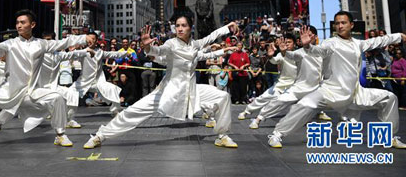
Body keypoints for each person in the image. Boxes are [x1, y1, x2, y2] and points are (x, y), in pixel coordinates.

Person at [82, 11, 239, 149]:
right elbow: (158, 50)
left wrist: (228, 27)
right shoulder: (171, 44)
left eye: (183, 25)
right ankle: (99, 136)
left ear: (190, 28)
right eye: (177, 25)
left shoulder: (196, 45)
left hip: (191, 91)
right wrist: (147, 47)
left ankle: (222, 136)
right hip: (168, 92)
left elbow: (211, 36)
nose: (180, 28)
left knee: (223, 97)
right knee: (132, 112)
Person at [0, 9, 95, 149]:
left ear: (32, 24)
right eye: (17, 23)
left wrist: (83, 38)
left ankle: (60, 134)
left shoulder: (41, 44)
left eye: (23, 22)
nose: (19, 25)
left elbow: (64, 42)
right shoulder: (10, 44)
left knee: (58, 98)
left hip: (30, 92)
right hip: (5, 91)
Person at [267, 12, 406, 149]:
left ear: (351, 25)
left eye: (343, 22)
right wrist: (308, 46)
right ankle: (276, 134)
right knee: (305, 104)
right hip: (329, 91)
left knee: (390, 98)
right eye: (337, 23)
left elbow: (378, 41)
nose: (340, 26)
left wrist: (399, 36)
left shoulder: (358, 44)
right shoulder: (330, 43)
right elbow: (318, 51)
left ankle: (389, 137)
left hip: (355, 93)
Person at [247, 26, 330, 129]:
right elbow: (290, 55)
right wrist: (281, 53)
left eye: (309, 35)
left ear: (315, 37)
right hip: (299, 87)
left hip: (315, 89)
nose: (306, 37)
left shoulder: (323, 52)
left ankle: (339, 118)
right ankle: (258, 119)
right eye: (303, 35)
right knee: (279, 101)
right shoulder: (299, 52)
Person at [237, 35, 298, 120]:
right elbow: (274, 61)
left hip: (297, 86)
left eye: (289, 42)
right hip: (282, 84)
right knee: (264, 97)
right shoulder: (281, 54)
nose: (287, 44)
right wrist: (270, 57)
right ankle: (246, 111)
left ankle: (319, 113)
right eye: (285, 42)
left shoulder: (300, 54)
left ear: (294, 44)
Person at [69, 34, 129, 119]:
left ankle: (115, 111)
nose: (90, 41)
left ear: (96, 41)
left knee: (113, 89)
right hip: (84, 81)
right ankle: (68, 118)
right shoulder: (83, 52)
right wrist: (72, 51)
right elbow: (73, 55)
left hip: (98, 81)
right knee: (71, 93)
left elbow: (113, 54)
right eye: (88, 39)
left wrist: (126, 53)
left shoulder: (100, 52)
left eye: (93, 39)